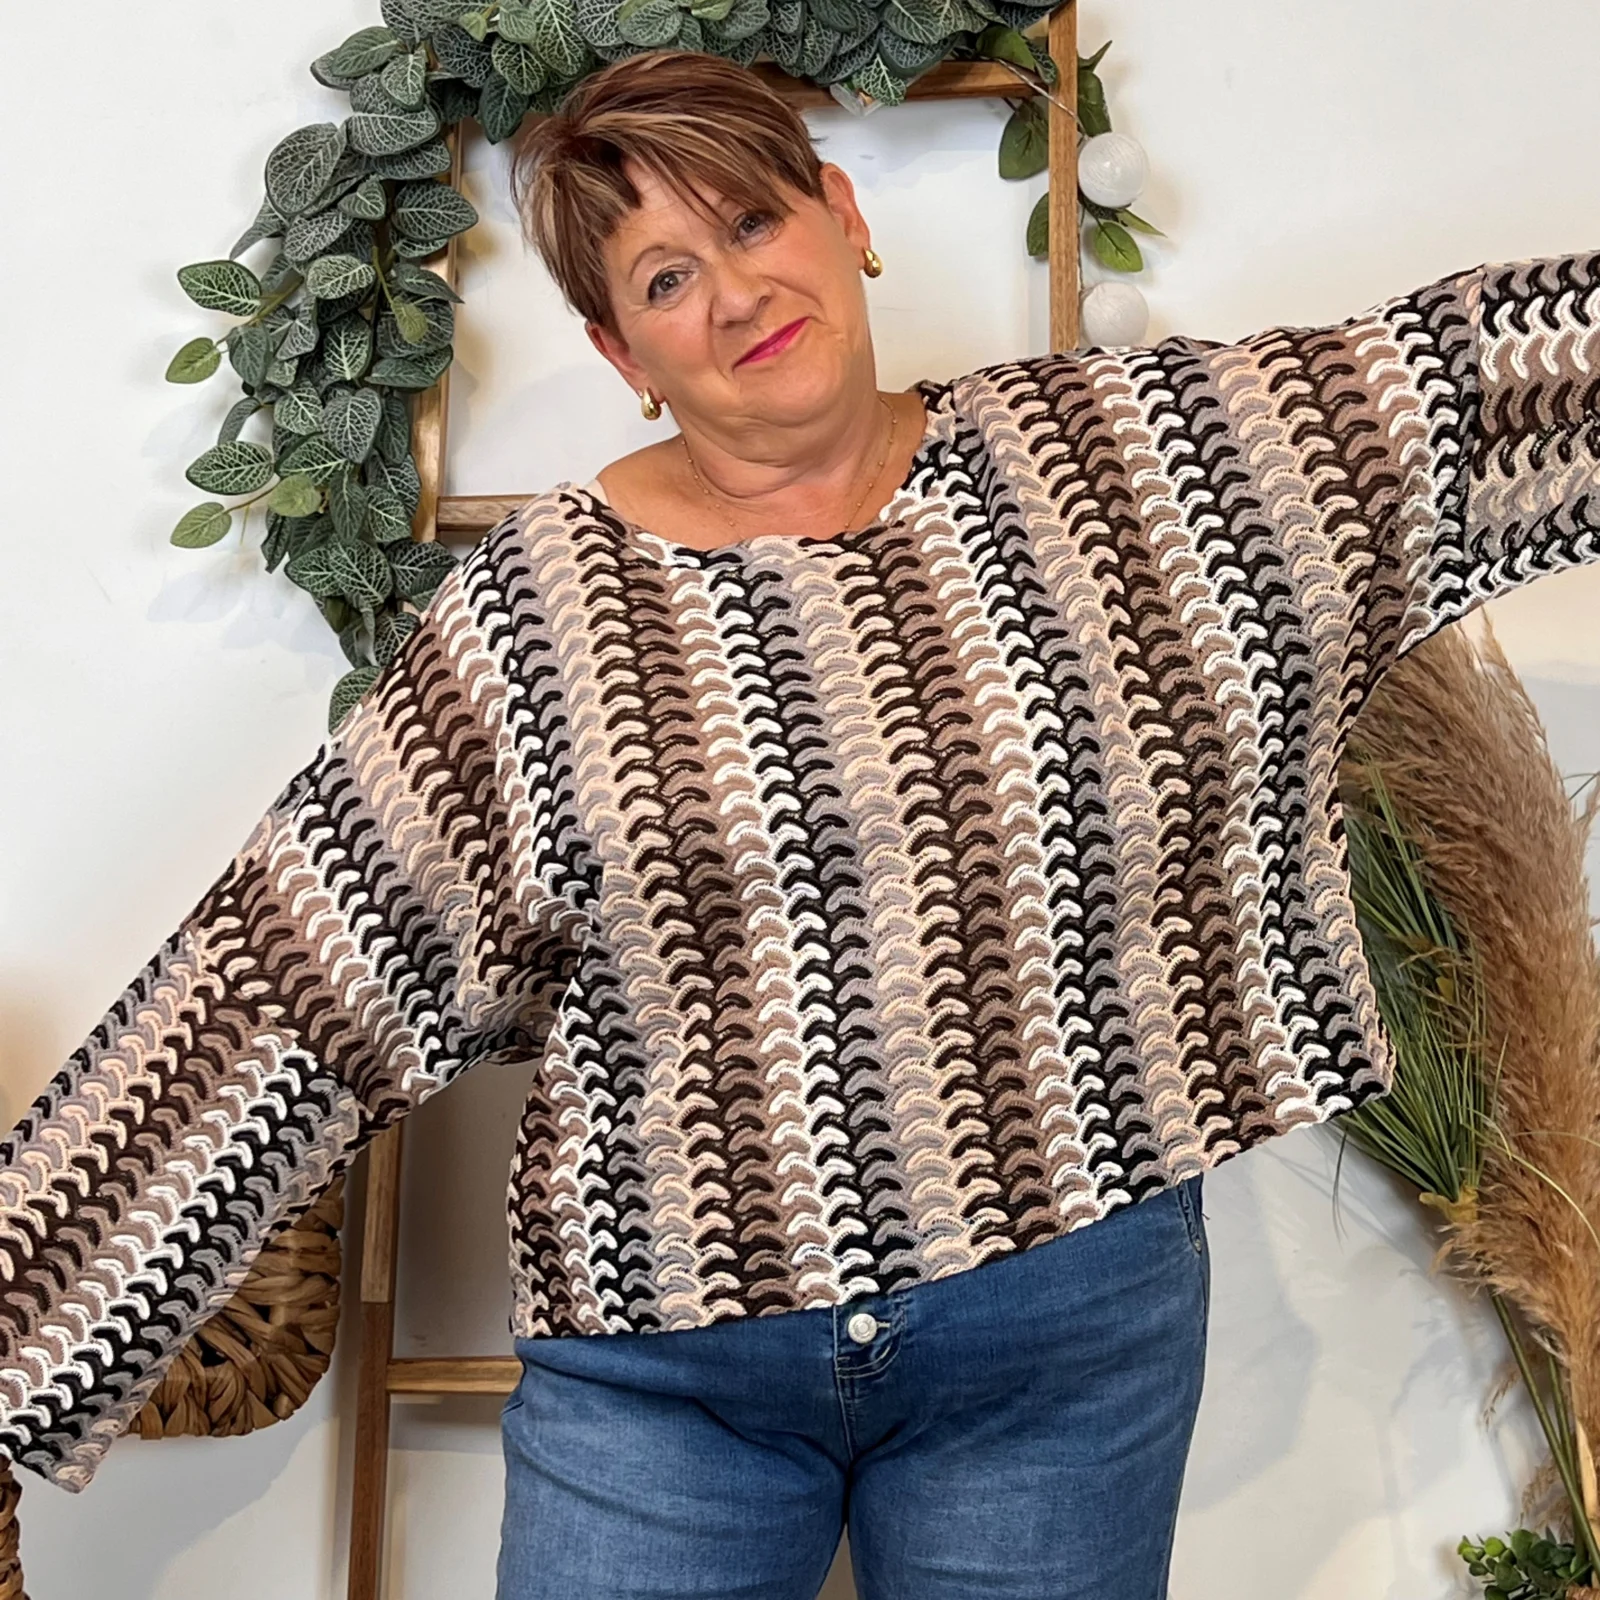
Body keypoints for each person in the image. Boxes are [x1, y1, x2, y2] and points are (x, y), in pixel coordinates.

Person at [0, 42, 1596, 1600]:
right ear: (622, 351)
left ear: (843, 214)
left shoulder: (1129, 467)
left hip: (1065, 1334)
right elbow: (287, 981)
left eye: (753, 221)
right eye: (665, 278)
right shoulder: (540, 617)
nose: (735, 293)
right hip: (665, 1377)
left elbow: (1469, 393)